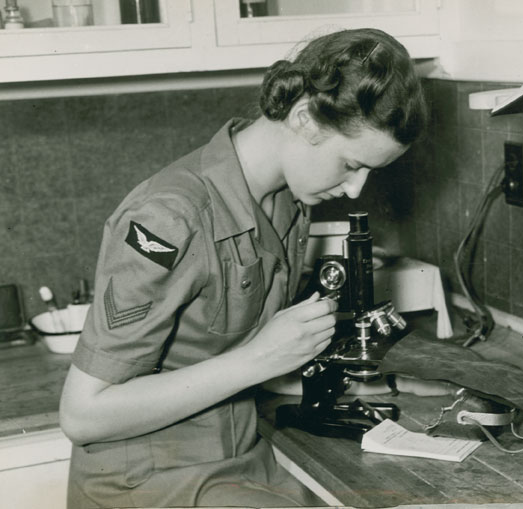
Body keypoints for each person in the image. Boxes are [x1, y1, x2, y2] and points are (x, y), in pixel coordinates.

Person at [59, 27, 427, 508]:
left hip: (240, 462)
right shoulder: (169, 217)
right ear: (304, 120)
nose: (356, 190)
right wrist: (261, 357)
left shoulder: (289, 204)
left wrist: (381, 382)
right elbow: (83, 415)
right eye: (351, 165)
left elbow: (225, 358)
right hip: (145, 482)